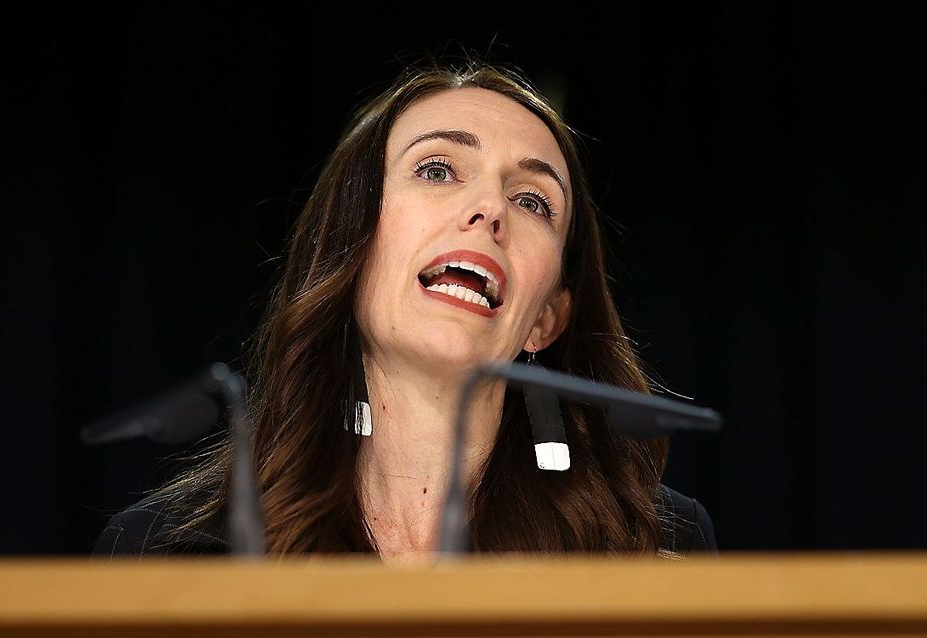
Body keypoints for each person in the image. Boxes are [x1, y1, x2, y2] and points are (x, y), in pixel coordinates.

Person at [93, 60, 717, 563]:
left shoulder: (655, 548)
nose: (489, 210)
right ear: (352, 250)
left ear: (545, 319)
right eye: (439, 168)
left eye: (532, 200)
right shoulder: (165, 551)